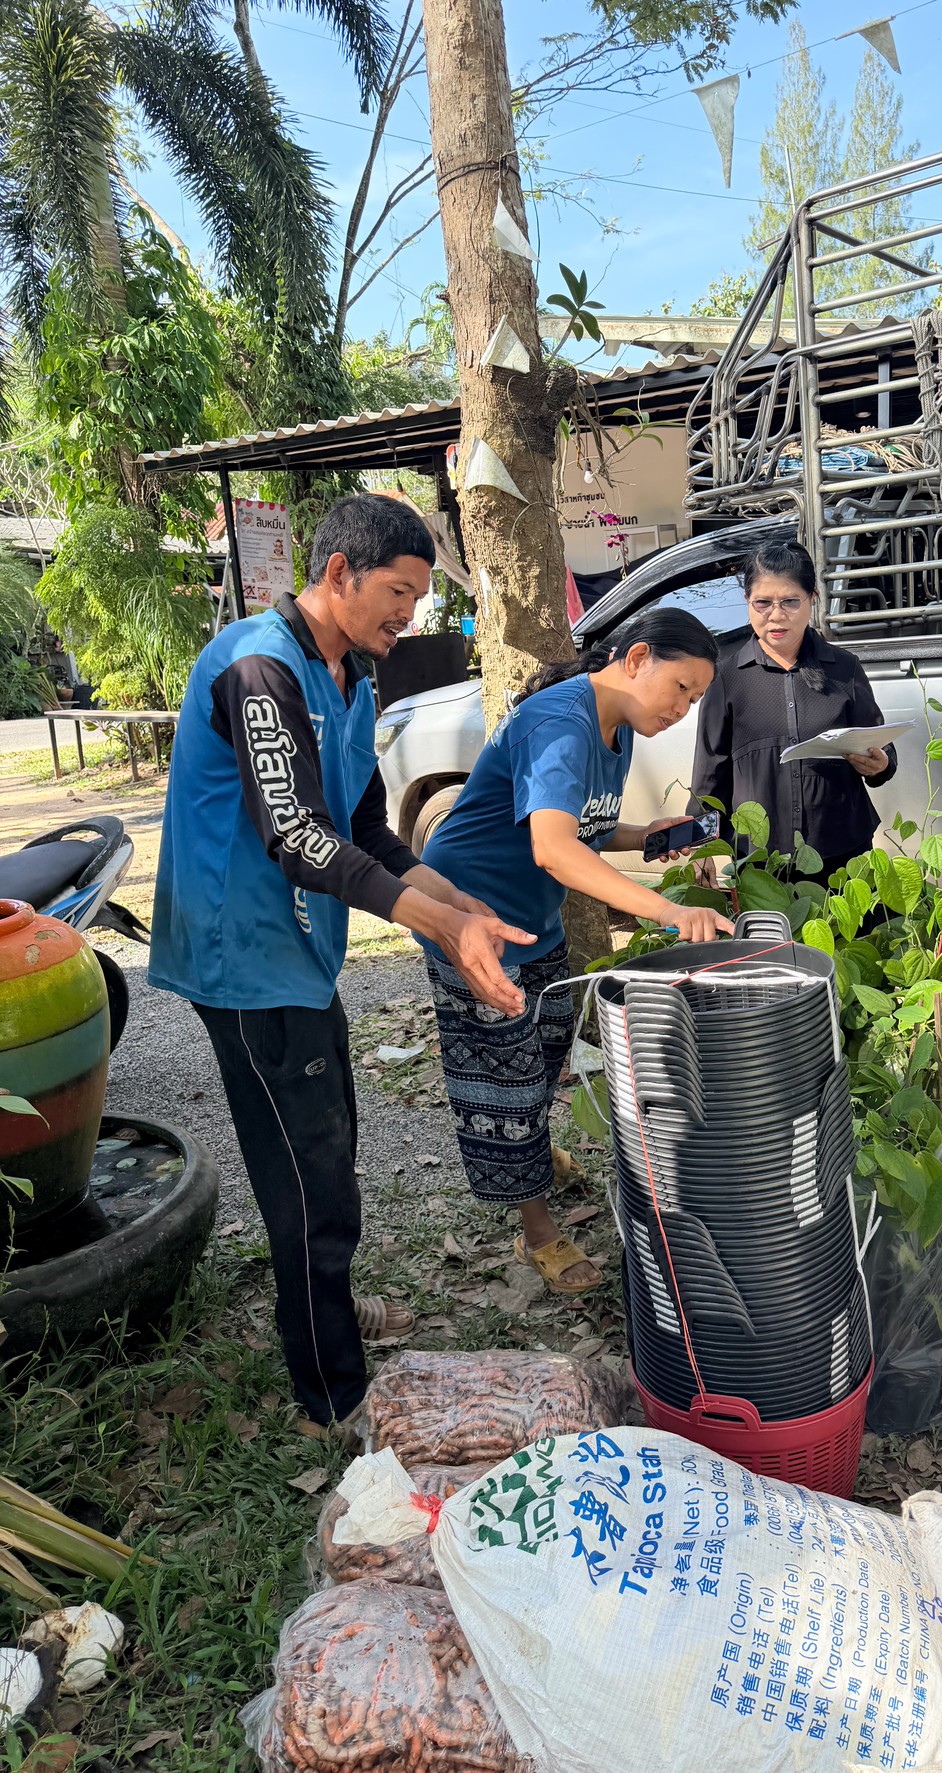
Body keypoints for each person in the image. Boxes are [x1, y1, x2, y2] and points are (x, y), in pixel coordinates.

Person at [150, 494, 532, 1437]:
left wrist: (454, 902)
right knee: (306, 1176)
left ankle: (329, 1319)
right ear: (337, 574)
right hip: (243, 956)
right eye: (398, 592)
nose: (410, 615)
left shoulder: (351, 676)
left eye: (417, 596)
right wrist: (440, 931)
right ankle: (332, 1394)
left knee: (333, 1144)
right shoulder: (258, 668)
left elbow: (363, 826)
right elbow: (295, 838)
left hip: (301, 953)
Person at [419, 607, 733, 1296]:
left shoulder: (614, 727)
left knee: (550, 1045)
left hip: (534, 918)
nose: (684, 709)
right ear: (638, 657)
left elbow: (579, 825)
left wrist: (651, 832)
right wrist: (671, 910)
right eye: (681, 688)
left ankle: (532, 1146)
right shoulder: (562, 721)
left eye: (695, 698)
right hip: (470, 912)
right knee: (506, 1072)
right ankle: (537, 1230)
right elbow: (551, 847)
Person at [691, 538, 897, 883]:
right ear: (747, 602)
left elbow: (878, 743)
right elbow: (710, 773)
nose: (776, 615)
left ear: (812, 600)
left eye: (790, 602)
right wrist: (702, 844)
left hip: (842, 852)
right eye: (762, 603)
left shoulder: (844, 668)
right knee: (771, 940)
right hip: (760, 860)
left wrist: (882, 763)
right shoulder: (726, 678)